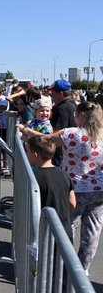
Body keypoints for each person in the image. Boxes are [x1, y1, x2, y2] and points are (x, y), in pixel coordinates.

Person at [47, 101, 103, 276]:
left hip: (75, 188)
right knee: (93, 230)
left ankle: (63, 263)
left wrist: (26, 133)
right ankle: (82, 267)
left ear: (81, 115)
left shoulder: (72, 133)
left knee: (68, 225)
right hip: (99, 189)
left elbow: (46, 141)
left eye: (75, 115)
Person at [25, 135, 76, 239]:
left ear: (35, 155)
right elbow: (72, 203)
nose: (26, 154)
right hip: (64, 230)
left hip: (43, 232)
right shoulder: (64, 174)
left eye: (28, 152)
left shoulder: (33, 178)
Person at [49, 79, 76, 167]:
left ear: (60, 93)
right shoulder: (74, 104)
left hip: (60, 151)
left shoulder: (61, 109)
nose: (51, 96)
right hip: (71, 148)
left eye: (53, 93)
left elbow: (57, 132)